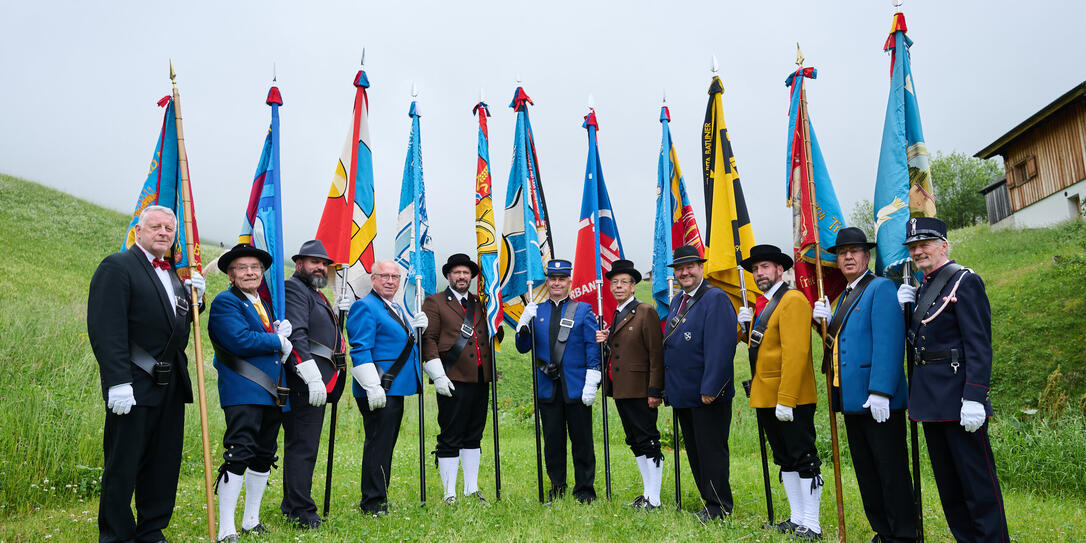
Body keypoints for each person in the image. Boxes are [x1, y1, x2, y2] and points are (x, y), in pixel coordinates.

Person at [88, 205, 205, 543]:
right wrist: (117, 381)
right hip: (134, 383)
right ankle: (117, 534)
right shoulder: (118, 266)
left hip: (170, 384)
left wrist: (198, 299)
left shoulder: (171, 274)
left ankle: (151, 528)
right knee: (123, 464)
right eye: (156, 227)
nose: (164, 233)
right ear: (138, 231)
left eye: (169, 229)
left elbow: (174, 326)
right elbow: (106, 328)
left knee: (163, 461)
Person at [896, 217, 1008, 542]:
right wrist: (904, 309)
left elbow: (978, 344)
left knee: (978, 487)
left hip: (960, 403)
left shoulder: (964, 281)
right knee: (950, 489)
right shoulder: (922, 290)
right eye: (913, 247)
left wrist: (975, 396)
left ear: (943, 245)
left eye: (924, 244)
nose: (918, 251)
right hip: (930, 403)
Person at [813, 227, 915, 543]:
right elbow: (841, 346)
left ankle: (904, 534)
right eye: (842, 252)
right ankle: (883, 530)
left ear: (866, 256)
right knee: (868, 472)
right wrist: (823, 325)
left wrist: (881, 390)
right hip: (853, 400)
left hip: (878, 399)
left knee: (891, 471)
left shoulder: (881, 287)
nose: (848, 256)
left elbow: (889, 341)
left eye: (854, 251)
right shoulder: (843, 296)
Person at [208, 243, 296, 542]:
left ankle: (251, 520)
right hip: (244, 390)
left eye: (255, 268)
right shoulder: (225, 302)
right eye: (242, 268)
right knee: (239, 452)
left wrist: (276, 334)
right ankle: (226, 528)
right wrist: (277, 340)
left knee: (264, 454)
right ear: (231, 275)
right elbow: (239, 340)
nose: (250, 273)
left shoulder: (264, 304)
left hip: (271, 391)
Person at [345, 260, 447, 516]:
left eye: (395, 276)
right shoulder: (364, 306)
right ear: (373, 279)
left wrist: (416, 328)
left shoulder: (394, 306)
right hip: (379, 387)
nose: (390, 281)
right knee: (378, 444)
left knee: (384, 444)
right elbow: (360, 348)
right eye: (384, 276)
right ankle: (372, 503)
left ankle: (379, 498)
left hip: (394, 388)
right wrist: (371, 385)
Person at [736, 244, 822, 539]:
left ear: (779, 270)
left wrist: (787, 399)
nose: (759, 273)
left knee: (803, 457)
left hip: (791, 397)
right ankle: (796, 518)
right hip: (767, 395)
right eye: (755, 269)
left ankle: (812, 523)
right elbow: (765, 349)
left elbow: (796, 354)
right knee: (784, 458)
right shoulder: (761, 304)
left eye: (765, 267)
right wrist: (746, 329)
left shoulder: (793, 300)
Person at [515, 259, 601, 504]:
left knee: (582, 442)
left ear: (568, 282)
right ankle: (557, 488)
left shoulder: (582, 310)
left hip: (576, 387)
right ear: (548, 281)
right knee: (553, 443)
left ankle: (585, 491)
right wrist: (523, 324)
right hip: (547, 387)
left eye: (561, 279)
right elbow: (523, 348)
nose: (556, 283)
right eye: (552, 279)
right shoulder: (537, 311)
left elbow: (591, 347)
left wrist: (592, 379)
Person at [662, 245, 737, 522]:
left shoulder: (715, 298)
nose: (684, 272)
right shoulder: (676, 301)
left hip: (706, 393)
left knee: (711, 450)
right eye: (680, 268)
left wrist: (711, 388)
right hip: (683, 392)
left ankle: (719, 506)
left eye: (690, 266)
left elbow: (721, 346)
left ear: (701, 267)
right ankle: (708, 500)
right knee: (695, 450)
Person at [421, 254, 502, 504]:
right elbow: (429, 339)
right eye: (456, 272)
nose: (461, 277)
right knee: (451, 435)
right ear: (448, 276)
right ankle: (449, 492)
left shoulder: (481, 303)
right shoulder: (435, 302)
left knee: (473, 434)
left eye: (466, 273)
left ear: (472, 277)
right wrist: (438, 374)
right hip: (452, 377)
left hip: (480, 378)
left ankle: (471, 488)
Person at [280, 240, 346, 528]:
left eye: (324, 263)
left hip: (320, 381)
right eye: (313, 261)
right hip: (304, 382)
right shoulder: (295, 288)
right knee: (302, 447)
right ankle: (300, 512)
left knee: (305, 445)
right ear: (299, 264)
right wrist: (310, 374)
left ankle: (292, 503)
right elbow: (297, 334)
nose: (320, 266)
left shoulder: (316, 293)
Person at [593, 259, 665, 510]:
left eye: (624, 282)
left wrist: (655, 390)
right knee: (635, 441)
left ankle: (654, 498)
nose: (619, 286)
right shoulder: (616, 314)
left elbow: (656, 352)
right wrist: (607, 339)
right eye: (614, 283)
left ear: (634, 286)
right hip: (621, 388)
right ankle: (646, 493)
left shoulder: (645, 311)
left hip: (641, 388)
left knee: (648, 440)